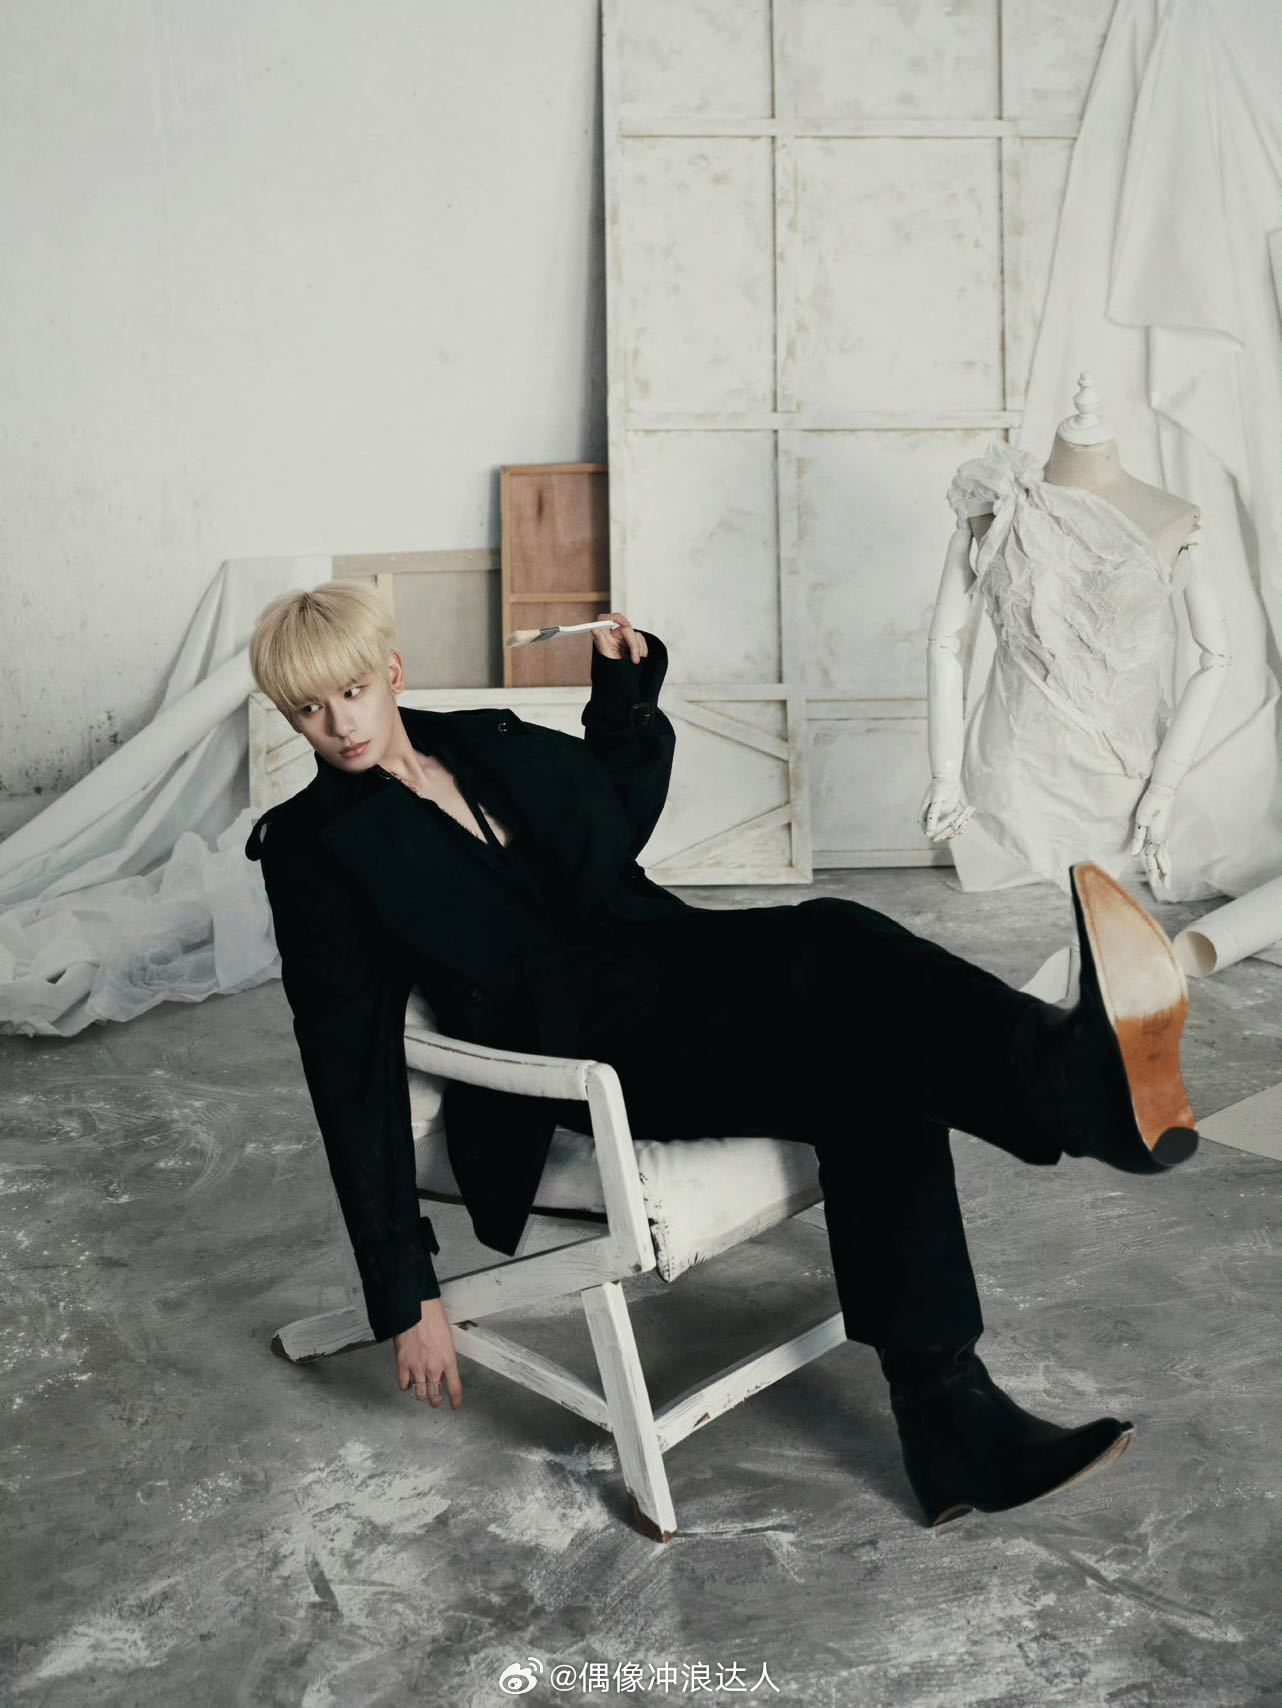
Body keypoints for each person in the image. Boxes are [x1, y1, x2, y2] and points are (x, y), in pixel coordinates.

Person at [245, 582, 1200, 1529]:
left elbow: (608, 822)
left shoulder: (477, 741)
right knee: (851, 1009)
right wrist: (406, 1293)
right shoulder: (311, 849)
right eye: (308, 710)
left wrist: (623, 693)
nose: (339, 724)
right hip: (583, 1053)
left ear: (392, 672)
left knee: (847, 973)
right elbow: (346, 1068)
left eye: (352, 692)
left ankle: (955, 1403)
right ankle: (1061, 1102)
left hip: (664, 963)